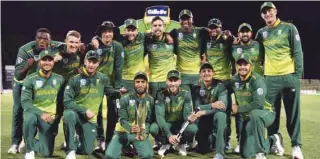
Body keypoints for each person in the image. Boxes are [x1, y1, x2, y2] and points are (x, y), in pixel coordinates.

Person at [255, 2, 304, 158]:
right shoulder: (261, 33)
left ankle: (296, 145)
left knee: (293, 114)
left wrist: (297, 76)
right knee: (271, 115)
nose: (267, 14)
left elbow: (298, 52)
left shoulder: (289, 28)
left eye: (269, 11)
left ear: (275, 11)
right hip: (270, 79)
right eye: (264, 12)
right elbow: (254, 49)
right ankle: (274, 142)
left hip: (289, 76)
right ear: (261, 15)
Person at [63, 50, 125, 158]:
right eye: (89, 61)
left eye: (94, 62)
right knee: (68, 114)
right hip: (77, 114)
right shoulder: (75, 78)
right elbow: (67, 101)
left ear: (98, 63)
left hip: (90, 119)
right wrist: (84, 110)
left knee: (87, 151)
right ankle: (70, 150)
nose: (91, 64)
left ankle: (76, 141)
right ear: (85, 62)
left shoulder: (102, 78)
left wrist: (119, 93)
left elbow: (109, 92)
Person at [8, 28, 60, 154]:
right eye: (39, 38)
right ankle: (15, 143)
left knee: (39, 108)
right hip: (21, 83)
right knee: (19, 109)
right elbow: (19, 75)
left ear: (50, 40)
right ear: (35, 39)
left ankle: (28, 140)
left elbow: (68, 44)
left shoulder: (55, 46)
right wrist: (28, 66)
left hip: (39, 82)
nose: (42, 41)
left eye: (45, 39)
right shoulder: (25, 50)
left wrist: (84, 45)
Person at [230, 54, 284, 159]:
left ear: (250, 66)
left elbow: (258, 104)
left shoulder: (257, 80)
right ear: (236, 66)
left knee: (255, 114)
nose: (242, 67)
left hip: (266, 112)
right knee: (245, 154)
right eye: (240, 64)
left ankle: (261, 153)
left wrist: (238, 109)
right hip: (249, 118)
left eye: (245, 64)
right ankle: (273, 139)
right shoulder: (234, 80)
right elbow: (224, 91)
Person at [21, 49, 64, 159]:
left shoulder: (59, 79)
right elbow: (25, 102)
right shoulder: (30, 79)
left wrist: (58, 116)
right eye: (44, 60)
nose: (47, 62)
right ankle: (29, 151)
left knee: (47, 153)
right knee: (29, 118)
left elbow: (61, 101)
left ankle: (28, 141)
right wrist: (41, 113)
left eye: (50, 60)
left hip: (50, 117)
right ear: (39, 61)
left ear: (53, 62)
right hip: (35, 113)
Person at [202, 18, 237, 151]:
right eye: (211, 27)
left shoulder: (226, 39)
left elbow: (235, 41)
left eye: (216, 27)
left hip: (225, 81)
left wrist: (232, 35)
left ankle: (226, 141)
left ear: (221, 28)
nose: (213, 30)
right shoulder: (206, 41)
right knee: (210, 111)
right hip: (211, 81)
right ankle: (211, 139)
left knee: (225, 113)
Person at [91, 21, 125, 150]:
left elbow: (118, 68)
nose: (107, 34)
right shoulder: (94, 45)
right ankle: (100, 140)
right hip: (96, 84)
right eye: (104, 32)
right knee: (97, 113)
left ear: (113, 33)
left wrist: (117, 88)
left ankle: (110, 140)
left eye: (109, 31)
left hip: (111, 86)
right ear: (100, 34)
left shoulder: (117, 46)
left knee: (113, 114)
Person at [105, 72, 154, 159]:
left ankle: (130, 146)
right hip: (122, 133)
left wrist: (144, 131)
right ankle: (126, 146)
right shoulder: (125, 98)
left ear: (147, 84)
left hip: (139, 134)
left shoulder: (150, 100)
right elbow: (122, 120)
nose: (140, 84)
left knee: (148, 155)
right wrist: (130, 128)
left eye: (143, 82)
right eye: (137, 82)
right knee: (110, 156)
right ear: (134, 84)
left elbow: (150, 120)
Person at [149, 70, 198, 156]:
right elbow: (160, 117)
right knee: (153, 128)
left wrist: (190, 118)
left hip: (179, 124)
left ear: (180, 82)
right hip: (166, 124)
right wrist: (169, 135)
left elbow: (186, 115)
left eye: (175, 80)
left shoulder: (186, 92)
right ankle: (165, 143)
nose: (173, 83)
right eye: (170, 81)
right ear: (166, 81)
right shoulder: (160, 94)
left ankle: (181, 143)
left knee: (193, 128)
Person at [189, 63, 227, 159]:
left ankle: (220, 153)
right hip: (204, 120)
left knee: (221, 115)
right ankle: (210, 140)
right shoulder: (196, 87)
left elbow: (223, 107)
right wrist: (212, 105)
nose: (206, 73)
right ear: (200, 74)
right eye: (204, 71)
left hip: (216, 118)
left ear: (213, 73)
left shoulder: (221, 85)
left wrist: (204, 111)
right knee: (203, 150)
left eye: (209, 71)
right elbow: (198, 107)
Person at [170, 9, 207, 92]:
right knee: (186, 102)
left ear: (192, 20)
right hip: (182, 75)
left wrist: (231, 37)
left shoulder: (200, 31)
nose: (185, 21)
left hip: (197, 75)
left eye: (188, 19)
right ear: (179, 21)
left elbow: (215, 32)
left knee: (197, 102)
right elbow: (162, 36)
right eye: (183, 19)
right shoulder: (175, 33)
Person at [145, 16, 175, 97]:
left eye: (160, 25)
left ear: (164, 27)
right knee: (153, 107)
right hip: (153, 82)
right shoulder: (147, 40)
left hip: (168, 81)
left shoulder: (172, 40)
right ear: (151, 27)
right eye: (155, 26)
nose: (157, 28)